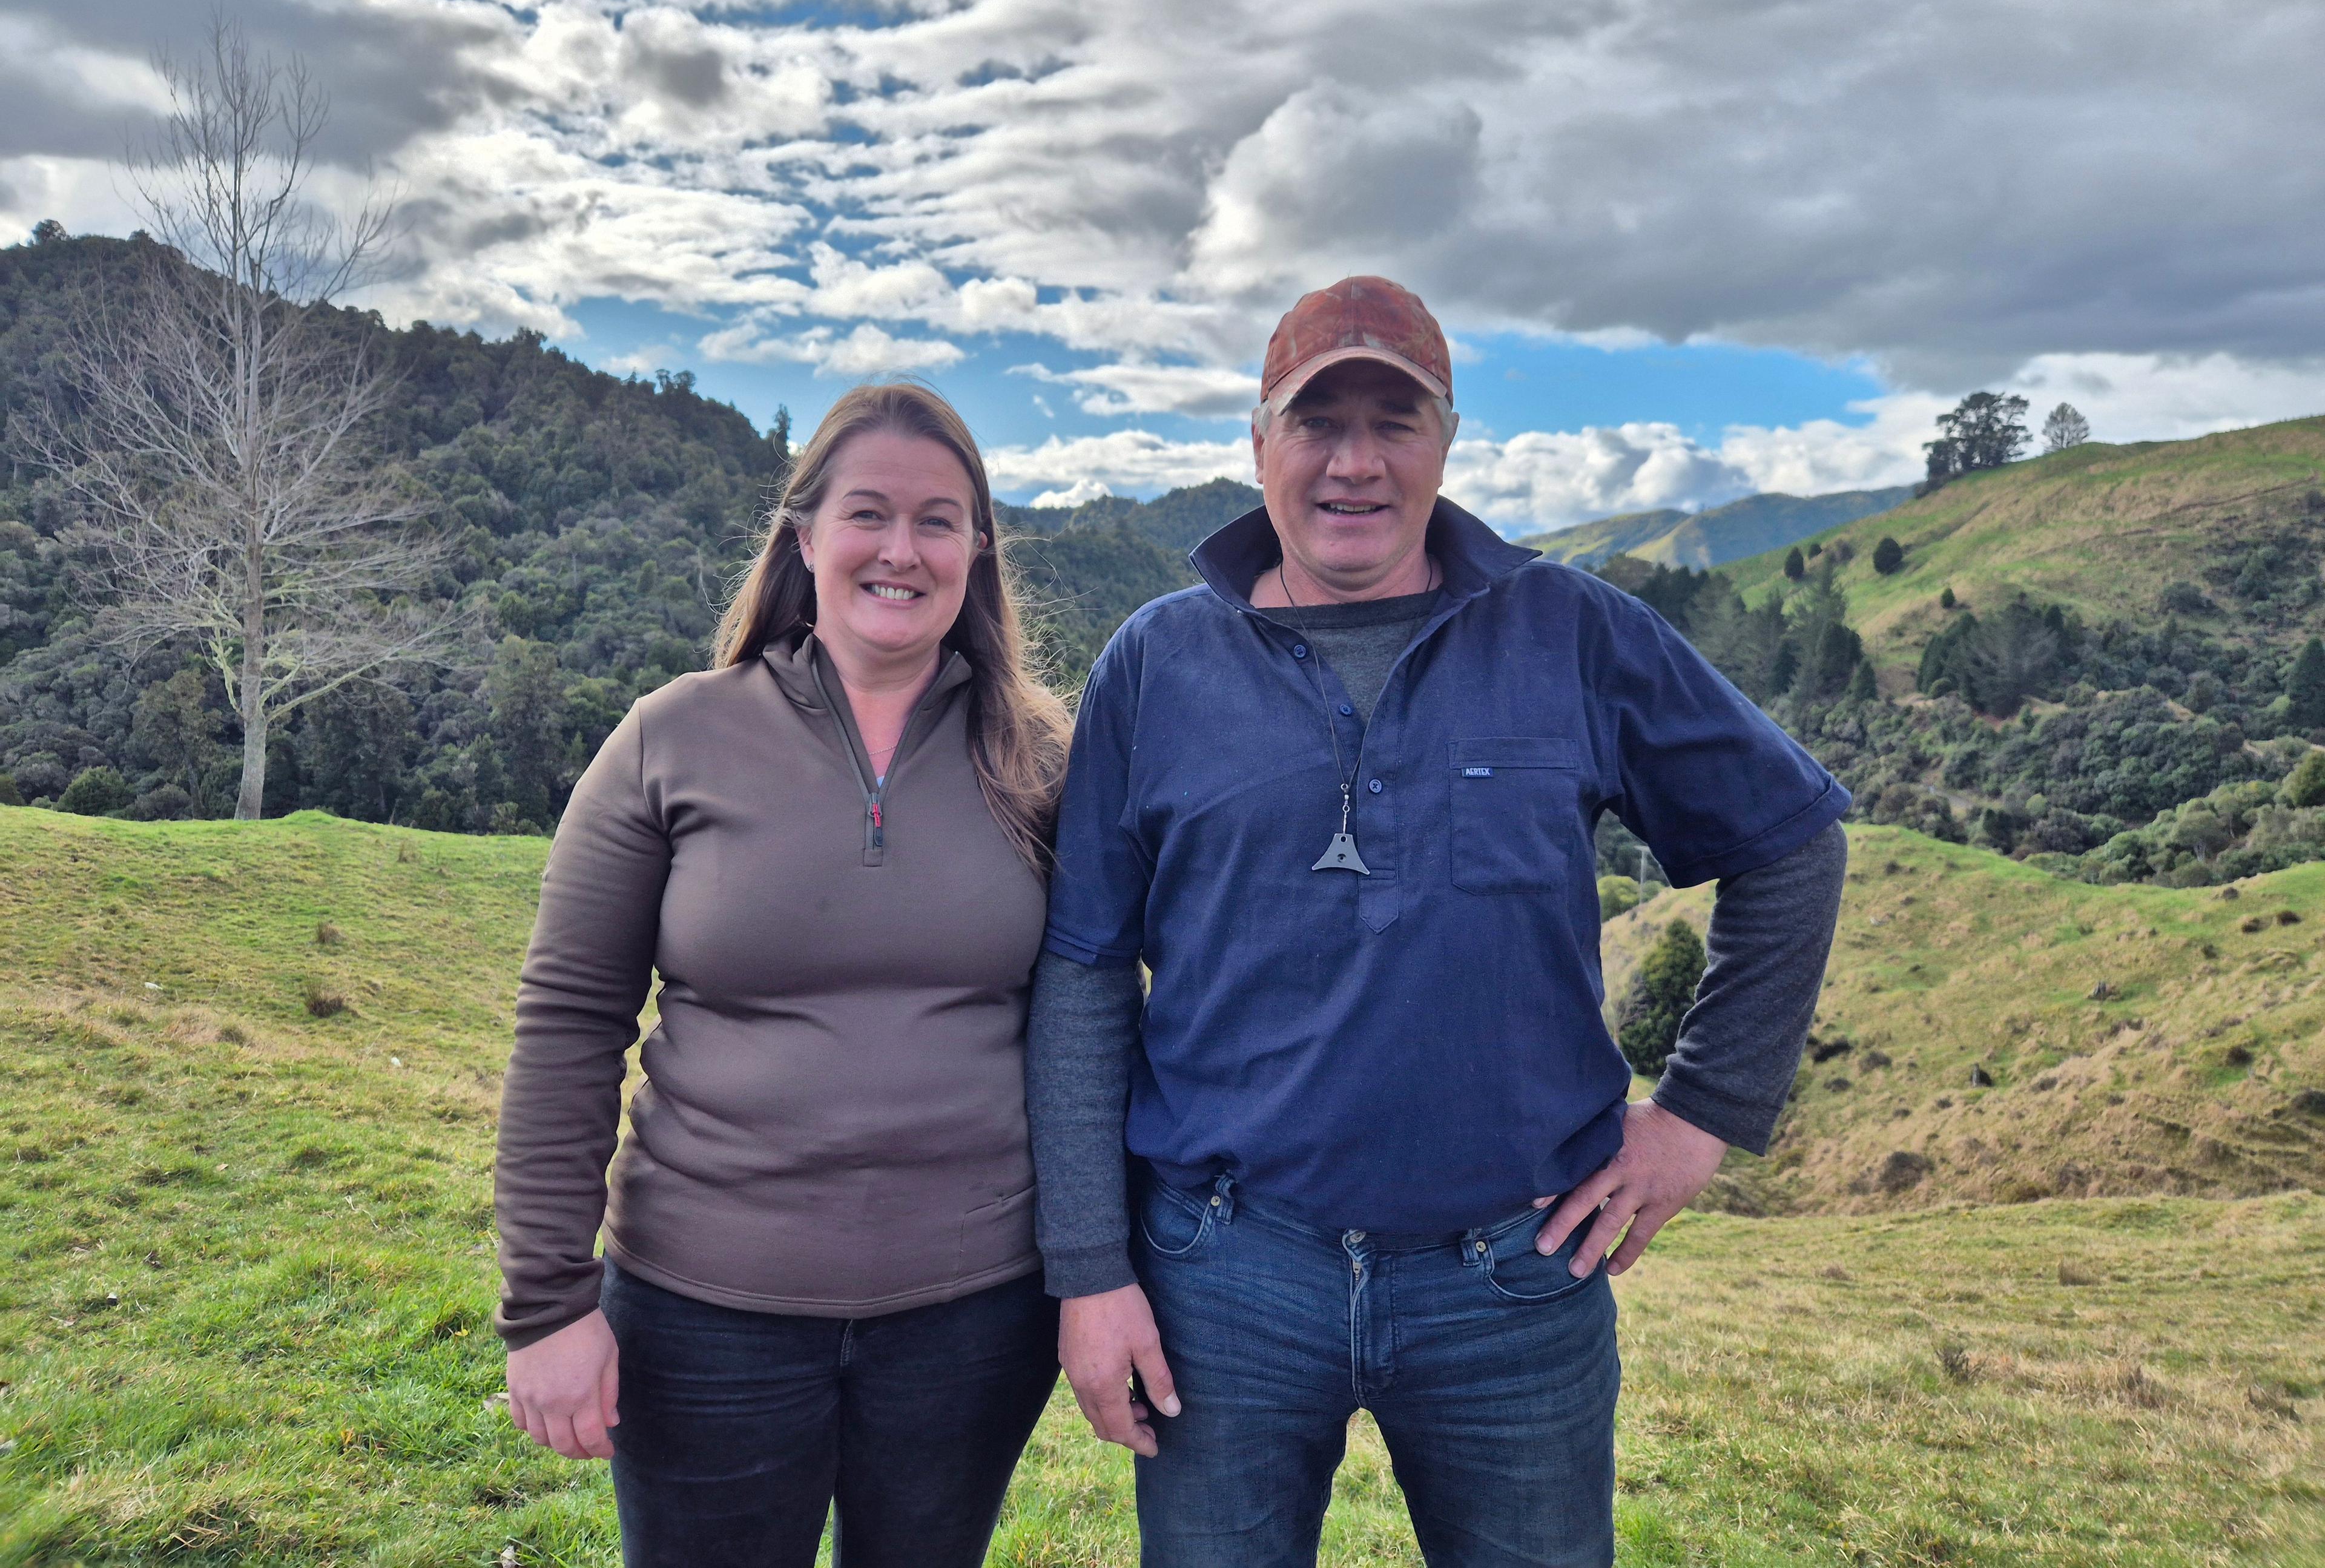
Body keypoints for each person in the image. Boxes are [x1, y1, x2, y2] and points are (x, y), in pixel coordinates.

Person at [1029, 276, 1851, 1567]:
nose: (1354, 461)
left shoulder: (1570, 632)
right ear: (1259, 444)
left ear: (1448, 441)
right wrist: (1089, 1269)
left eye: (1393, 421)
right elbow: (1083, 967)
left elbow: (1790, 841)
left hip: (1513, 1281)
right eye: (1317, 422)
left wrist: (1703, 1117)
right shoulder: (1156, 663)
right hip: (1224, 1275)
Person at [492, 382, 1071, 1568]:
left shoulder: (1045, 761)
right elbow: (567, 1027)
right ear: (804, 538)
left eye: (938, 520)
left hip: (974, 1321)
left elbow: (1109, 1016)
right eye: (868, 514)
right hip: (703, 1322)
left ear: (978, 549)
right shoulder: (672, 738)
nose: (900, 550)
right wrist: (548, 1304)